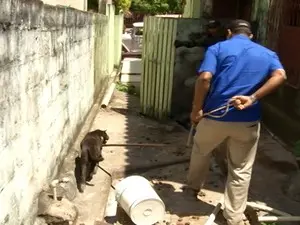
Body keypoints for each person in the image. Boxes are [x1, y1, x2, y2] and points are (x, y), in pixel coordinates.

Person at [186, 19, 286, 225]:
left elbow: (204, 78)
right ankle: (233, 217)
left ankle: (193, 188)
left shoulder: (218, 48)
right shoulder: (267, 54)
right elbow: (281, 75)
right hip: (247, 120)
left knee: (201, 150)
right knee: (241, 169)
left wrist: (196, 111)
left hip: (214, 116)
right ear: (251, 35)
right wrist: (253, 98)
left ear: (229, 32)